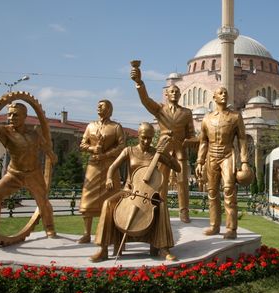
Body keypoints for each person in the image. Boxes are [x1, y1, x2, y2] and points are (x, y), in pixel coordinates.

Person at [90, 123, 180, 262]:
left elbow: (177, 168)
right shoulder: (129, 150)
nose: (146, 141)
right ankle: (103, 249)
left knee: (161, 206)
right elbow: (113, 167)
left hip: (148, 195)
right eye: (144, 137)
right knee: (107, 203)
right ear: (138, 135)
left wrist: (166, 154)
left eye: (150, 138)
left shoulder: (156, 153)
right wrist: (109, 178)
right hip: (129, 191)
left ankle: (163, 248)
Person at [0, 103, 57, 250]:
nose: (11, 117)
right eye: (10, 114)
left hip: (34, 174)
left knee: (43, 201)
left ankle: (49, 227)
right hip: (14, 174)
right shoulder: (3, 131)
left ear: (25, 117)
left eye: (16, 114)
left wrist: (51, 155)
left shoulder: (34, 133)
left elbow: (44, 146)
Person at [131, 61, 197, 223]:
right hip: (162, 151)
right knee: (160, 182)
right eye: (171, 91)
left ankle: (184, 212)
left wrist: (195, 140)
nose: (174, 93)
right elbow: (145, 100)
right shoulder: (160, 109)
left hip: (180, 152)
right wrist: (139, 83)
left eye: (177, 91)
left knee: (182, 183)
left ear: (180, 95)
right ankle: (159, 208)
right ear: (166, 95)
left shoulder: (187, 113)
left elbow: (191, 134)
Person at [195, 87, 249, 240]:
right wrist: (199, 161)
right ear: (214, 97)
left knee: (229, 191)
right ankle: (214, 225)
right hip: (211, 156)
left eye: (226, 92)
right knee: (212, 193)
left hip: (227, 155)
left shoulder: (235, 117)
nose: (224, 94)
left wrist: (244, 161)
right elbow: (203, 141)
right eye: (220, 93)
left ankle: (231, 228)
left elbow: (242, 139)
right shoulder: (207, 118)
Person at [77, 100, 126, 244]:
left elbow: (122, 145)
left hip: (110, 167)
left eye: (102, 105)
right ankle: (86, 233)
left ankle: (110, 232)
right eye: (97, 105)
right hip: (93, 166)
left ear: (109, 109)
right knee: (88, 196)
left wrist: (106, 154)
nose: (98, 107)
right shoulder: (90, 126)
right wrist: (92, 149)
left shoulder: (116, 127)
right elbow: (82, 144)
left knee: (111, 197)